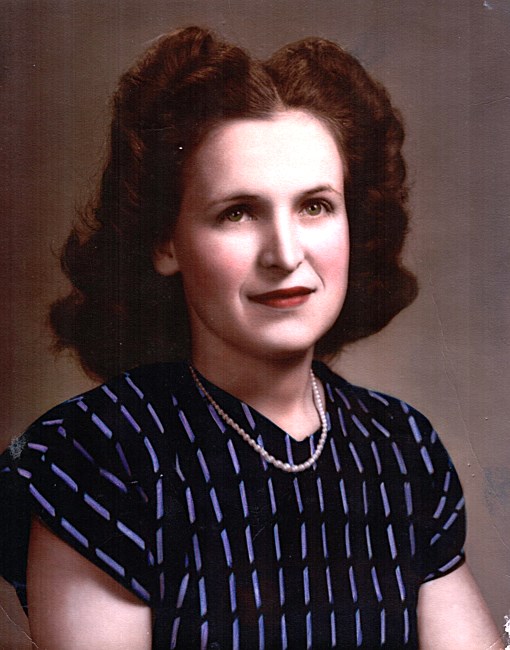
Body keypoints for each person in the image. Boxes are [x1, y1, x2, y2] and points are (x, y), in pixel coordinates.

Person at [0, 26, 501, 649]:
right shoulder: (98, 456)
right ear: (164, 242)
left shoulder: (403, 448)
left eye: (315, 206)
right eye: (237, 212)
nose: (285, 254)